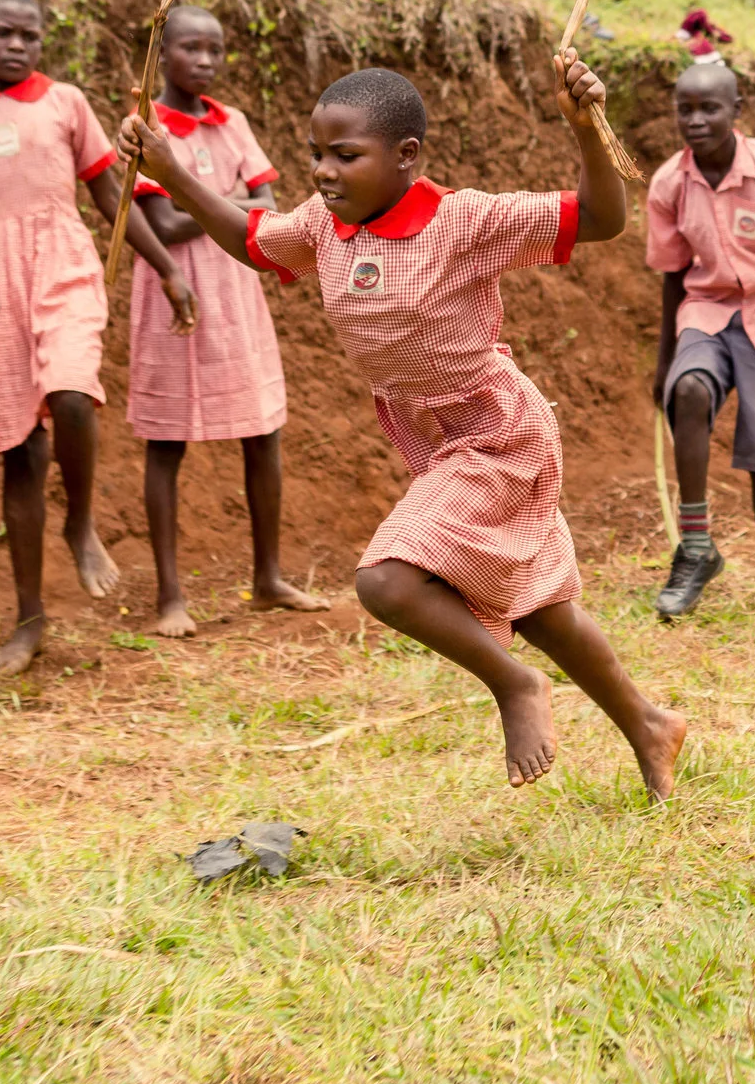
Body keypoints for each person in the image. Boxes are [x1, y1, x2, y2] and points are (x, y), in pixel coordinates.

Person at [119, 57, 689, 799]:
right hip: (436, 438)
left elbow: (603, 218)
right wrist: (169, 169)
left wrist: (587, 128)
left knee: (386, 578)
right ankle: (650, 724)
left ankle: (515, 687)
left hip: (498, 432)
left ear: (406, 155)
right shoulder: (327, 225)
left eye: (345, 155)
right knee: (540, 608)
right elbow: (253, 240)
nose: (324, 171)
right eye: (316, 154)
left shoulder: (463, 220)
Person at [0, 0, 196, 675]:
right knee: (21, 449)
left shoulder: (65, 103)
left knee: (74, 392)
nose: (17, 45)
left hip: (65, 264)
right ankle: (29, 619)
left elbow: (110, 193)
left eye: (30, 34)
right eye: (3, 33)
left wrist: (166, 268)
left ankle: (79, 521)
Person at [128, 5, 329, 637]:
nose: (206, 61)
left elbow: (271, 206)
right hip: (178, 293)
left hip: (237, 288)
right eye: (191, 48)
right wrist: (230, 208)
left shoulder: (232, 121)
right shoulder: (145, 127)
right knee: (166, 441)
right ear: (162, 56)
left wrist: (204, 204)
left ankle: (267, 577)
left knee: (261, 431)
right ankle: (169, 595)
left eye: (215, 50)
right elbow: (161, 225)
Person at [647, 59, 755, 616]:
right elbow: (675, 278)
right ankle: (696, 548)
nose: (696, 120)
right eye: (685, 109)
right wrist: (666, 363)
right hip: (706, 312)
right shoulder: (670, 184)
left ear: (736, 112)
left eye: (709, 108)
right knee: (690, 391)